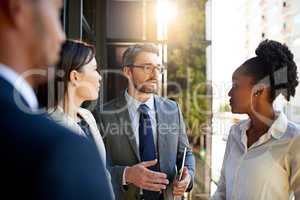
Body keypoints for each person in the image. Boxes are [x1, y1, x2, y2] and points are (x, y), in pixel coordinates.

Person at [0, 0, 114, 199]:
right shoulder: (52, 138)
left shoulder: (87, 117)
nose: (61, 36)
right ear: (75, 77)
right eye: (56, 12)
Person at [93, 43, 195, 200]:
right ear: (128, 71)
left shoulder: (172, 109)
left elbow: (186, 153)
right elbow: (96, 168)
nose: (155, 74)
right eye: (147, 67)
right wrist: (127, 174)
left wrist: (187, 178)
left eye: (159, 68)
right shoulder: (103, 115)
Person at [211, 39, 300, 200]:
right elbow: (222, 190)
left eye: (236, 86)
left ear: (259, 90)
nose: (229, 93)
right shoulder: (235, 133)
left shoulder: (294, 139)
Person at [43, 39, 113, 193]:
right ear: (75, 77)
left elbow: (104, 174)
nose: (100, 77)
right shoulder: (49, 127)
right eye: (95, 69)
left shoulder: (87, 117)